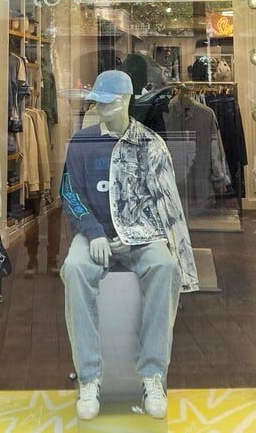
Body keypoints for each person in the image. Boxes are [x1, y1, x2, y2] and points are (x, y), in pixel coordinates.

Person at [60, 70, 198, 421]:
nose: (99, 107)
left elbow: (167, 201)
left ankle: (153, 374)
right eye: (97, 100)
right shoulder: (82, 142)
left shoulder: (150, 143)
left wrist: (178, 252)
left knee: (164, 269)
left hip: (141, 233)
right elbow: (69, 191)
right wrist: (92, 232)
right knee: (75, 269)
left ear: (125, 100)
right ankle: (89, 377)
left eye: (107, 100)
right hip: (95, 234)